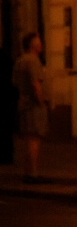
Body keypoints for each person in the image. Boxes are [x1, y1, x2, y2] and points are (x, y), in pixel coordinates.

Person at [12, 32, 49, 183]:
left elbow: (15, 83)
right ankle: (33, 174)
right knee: (34, 139)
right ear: (32, 44)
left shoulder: (20, 60)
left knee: (28, 139)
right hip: (33, 105)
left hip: (23, 104)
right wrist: (41, 103)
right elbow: (36, 84)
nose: (41, 44)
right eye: (38, 41)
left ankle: (27, 172)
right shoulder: (33, 61)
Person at [0, 46, 14, 165]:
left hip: (5, 96)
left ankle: (5, 154)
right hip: (7, 97)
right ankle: (7, 154)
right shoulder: (6, 57)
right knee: (6, 128)